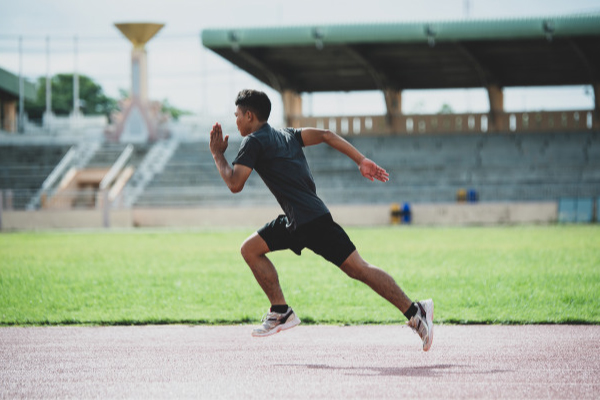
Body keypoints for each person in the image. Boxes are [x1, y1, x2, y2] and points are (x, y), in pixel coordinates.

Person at [209, 89, 434, 351]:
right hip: (300, 220)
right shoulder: (288, 134)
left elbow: (235, 183)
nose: (235, 121)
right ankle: (280, 310)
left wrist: (217, 154)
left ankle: (415, 310)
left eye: (237, 115)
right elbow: (327, 135)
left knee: (358, 269)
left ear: (249, 115)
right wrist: (360, 159)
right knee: (250, 249)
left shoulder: (254, 142)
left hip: (311, 222)